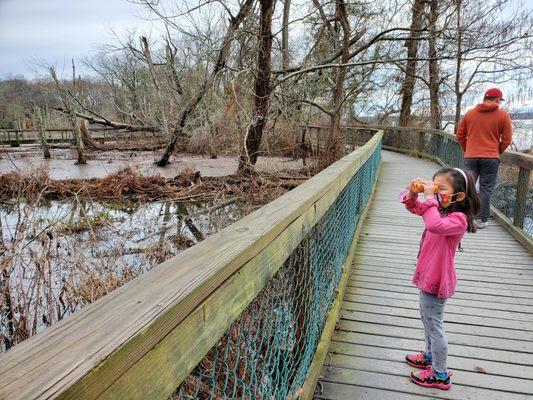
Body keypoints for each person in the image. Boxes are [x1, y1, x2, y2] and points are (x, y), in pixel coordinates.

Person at [398, 168, 480, 390]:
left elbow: (433, 224)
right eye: (434, 186)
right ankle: (430, 356)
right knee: (427, 319)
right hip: (428, 272)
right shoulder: (440, 209)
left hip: (438, 277)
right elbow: (412, 206)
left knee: (434, 324)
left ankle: (440, 374)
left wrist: (429, 198)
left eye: (440, 188)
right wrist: (416, 192)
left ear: (459, 196)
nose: (434, 192)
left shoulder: (458, 219)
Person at [456, 87, 512, 229]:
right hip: (490, 158)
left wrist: (468, 149)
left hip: (471, 156)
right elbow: (507, 139)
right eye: (500, 100)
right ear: (498, 100)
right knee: (486, 189)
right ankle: (482, 219)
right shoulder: (503, 115)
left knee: (467, 186)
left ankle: (463, 216)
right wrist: (495, 151)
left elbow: (460, 135)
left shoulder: (470, 114)